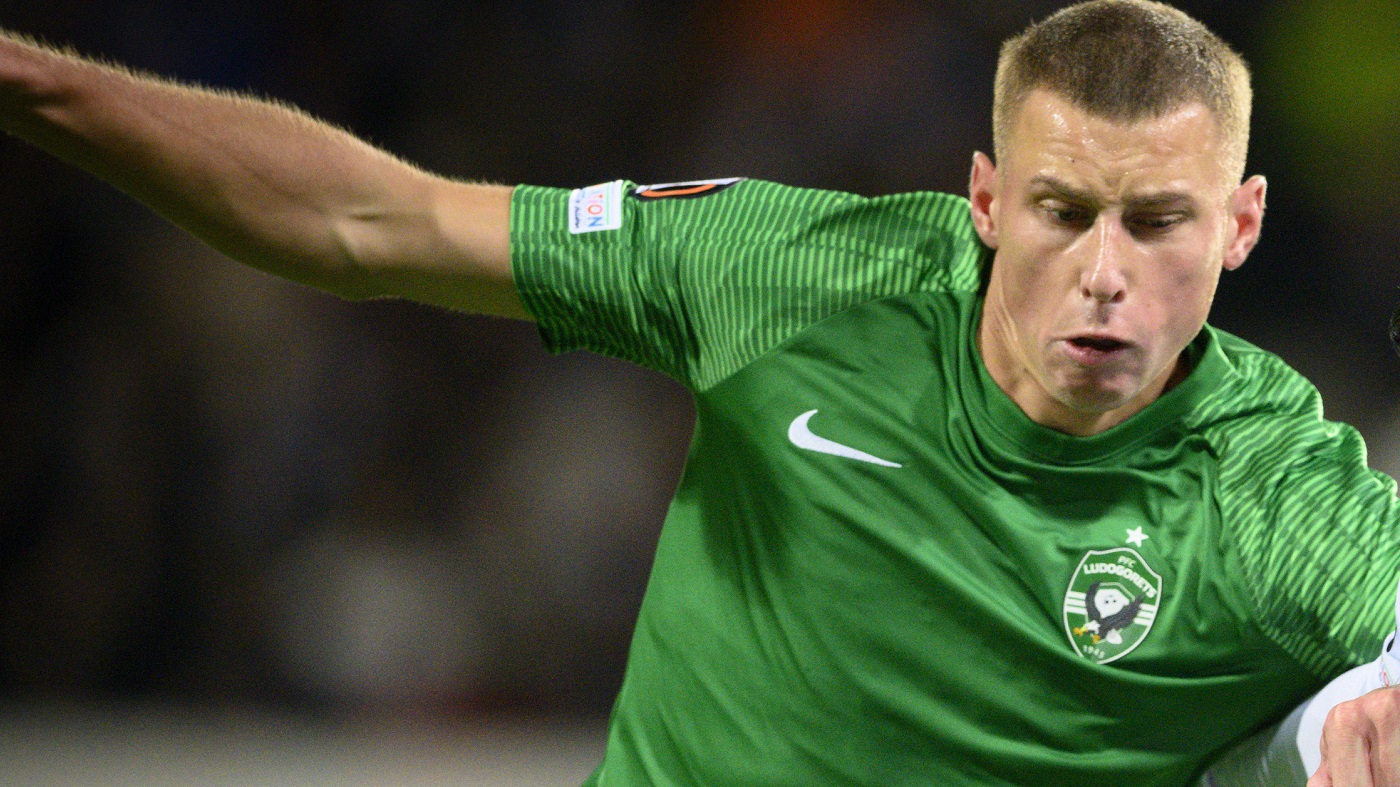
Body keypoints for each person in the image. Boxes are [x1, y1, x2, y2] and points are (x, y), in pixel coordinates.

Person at [1, 0, 1397, 784]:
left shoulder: (1271, 484)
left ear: (1241, 225)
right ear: (983, 199)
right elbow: (376, 222)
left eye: (1157, 223)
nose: (1102, 274)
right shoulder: (793, 274)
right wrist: (41, 88)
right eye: (1061, 211)